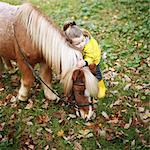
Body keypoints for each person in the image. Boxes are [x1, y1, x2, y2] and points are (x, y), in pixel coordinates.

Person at [63, 20, 106, 98]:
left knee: (97, 74)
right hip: (82, 59)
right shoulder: (70, 43)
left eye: (82, 41)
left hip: (93, 60)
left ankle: (101, 86)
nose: (81, 44)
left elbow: (90, 56)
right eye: (77, 44)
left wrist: (85, 62)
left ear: (83, 36)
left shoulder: (88, 45)